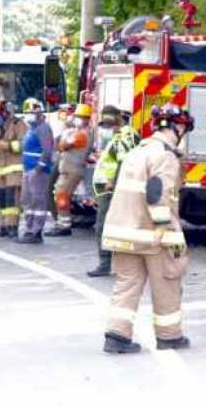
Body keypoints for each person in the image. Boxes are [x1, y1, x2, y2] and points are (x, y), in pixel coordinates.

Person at [100, 104, 194, 354]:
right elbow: (157, 192)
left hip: (123, 232)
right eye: (184, 128)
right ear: (177, 127)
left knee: (127, 283)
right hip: (153, 234)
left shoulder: (137, 151)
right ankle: (169, 336)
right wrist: (163, 226)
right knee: (166, 282)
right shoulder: (166, 155)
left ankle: (116, 336)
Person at [87, 106, 141, 277]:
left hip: (112, 189)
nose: (108, 127)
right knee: (107, 226)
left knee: (104, 226)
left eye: (110, 123)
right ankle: (111, 263)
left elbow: (126, 163)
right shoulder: (120, 135)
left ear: (119, 119)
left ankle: (106, 263)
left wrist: (115, 184)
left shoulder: (125, 136)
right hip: (107, 188)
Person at [45, 103, 92, 237]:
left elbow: (62, 145)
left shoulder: (82, 135)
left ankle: (64, 225)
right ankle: (63, 222)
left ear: (87, 119)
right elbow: (60, 143)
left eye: (82, 117)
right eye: (78, 116)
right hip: (68, 169)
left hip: (72, 170)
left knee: (62, 195)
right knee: (61, 194)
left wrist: (65, 137)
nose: (79, 119)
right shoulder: (76, 132)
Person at [17, 98, 55, 244]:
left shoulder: (43, 128)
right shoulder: (31, 128)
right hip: (28, 169)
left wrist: (39, 167)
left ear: (39, 112)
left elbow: (47, 150)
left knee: (38, 200)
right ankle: (29, 229)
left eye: (31, 112)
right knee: (27, 200)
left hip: (37, 171)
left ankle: (36, 231)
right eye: (27, 112)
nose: (28, 115)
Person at [0, 99, 28, 238]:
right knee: (1, 199)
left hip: (14, 170)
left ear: (6, 112)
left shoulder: (19, 124)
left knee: (12, 199)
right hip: (0, 169)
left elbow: (23, 145)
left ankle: (13, 227)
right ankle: (3, 226)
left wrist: (4, 145)